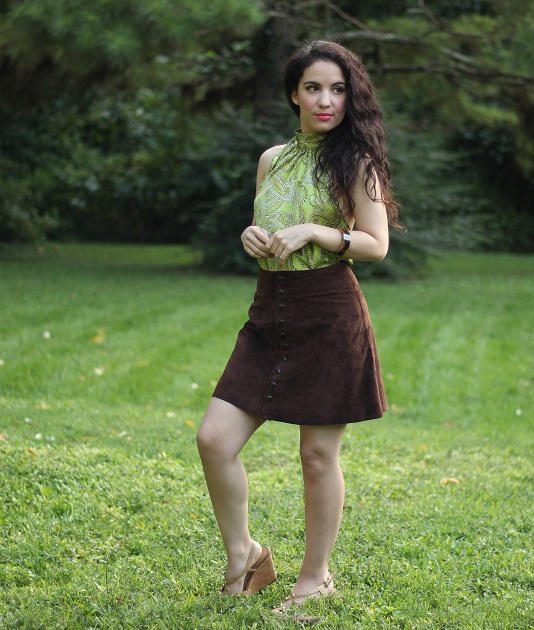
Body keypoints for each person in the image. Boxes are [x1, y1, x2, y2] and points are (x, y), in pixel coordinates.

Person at [196, 40, 401, 611]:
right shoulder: (271, 159)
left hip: (330, 314)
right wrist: (250, 237)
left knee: (317, 455)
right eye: (314, 87)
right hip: (269, 312)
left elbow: (376, 244)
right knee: (214, 439)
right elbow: (266, 227)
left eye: (338, 89)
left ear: (350, 96)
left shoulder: (359, 164)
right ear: (295, 94)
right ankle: (246, 557)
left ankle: (315, 577)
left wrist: (316, 231)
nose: (326, 99)